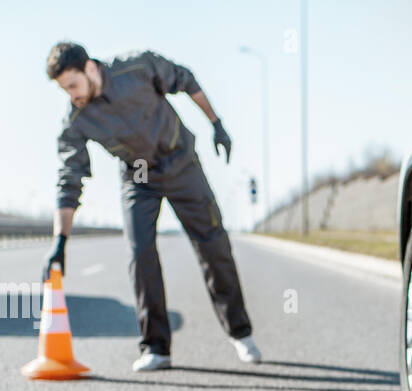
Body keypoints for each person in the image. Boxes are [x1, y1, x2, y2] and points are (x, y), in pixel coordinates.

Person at [42, 41, 261, 371]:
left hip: (180, 163)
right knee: (140, 252)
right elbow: (69, 180)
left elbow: (186, 80)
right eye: (65, 90)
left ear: (89, 68)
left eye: (73, 85)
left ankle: (240, 333)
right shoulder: (76, 119)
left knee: (213, 245)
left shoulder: (137, 67)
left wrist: (216, 123)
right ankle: (156, 347)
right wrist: (60, 241)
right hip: (138, 176)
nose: (72, 95)